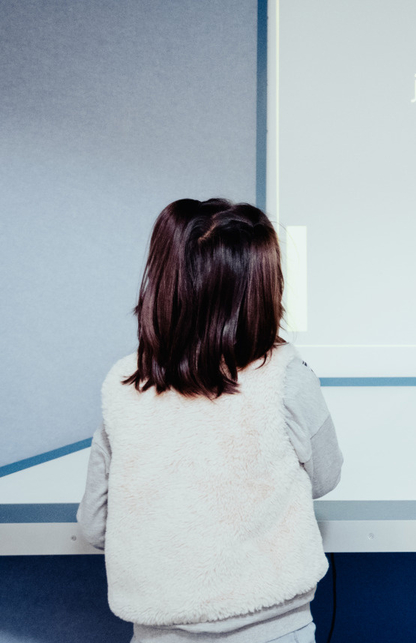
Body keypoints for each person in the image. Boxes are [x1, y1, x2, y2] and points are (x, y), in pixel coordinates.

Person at [77, 199, 343, 643]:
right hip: (274, 628)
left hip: (159, 631)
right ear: (265, 289)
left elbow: (94, 525)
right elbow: (325, 477)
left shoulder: (125, 386)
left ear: (162, 283)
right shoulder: (286, 378)